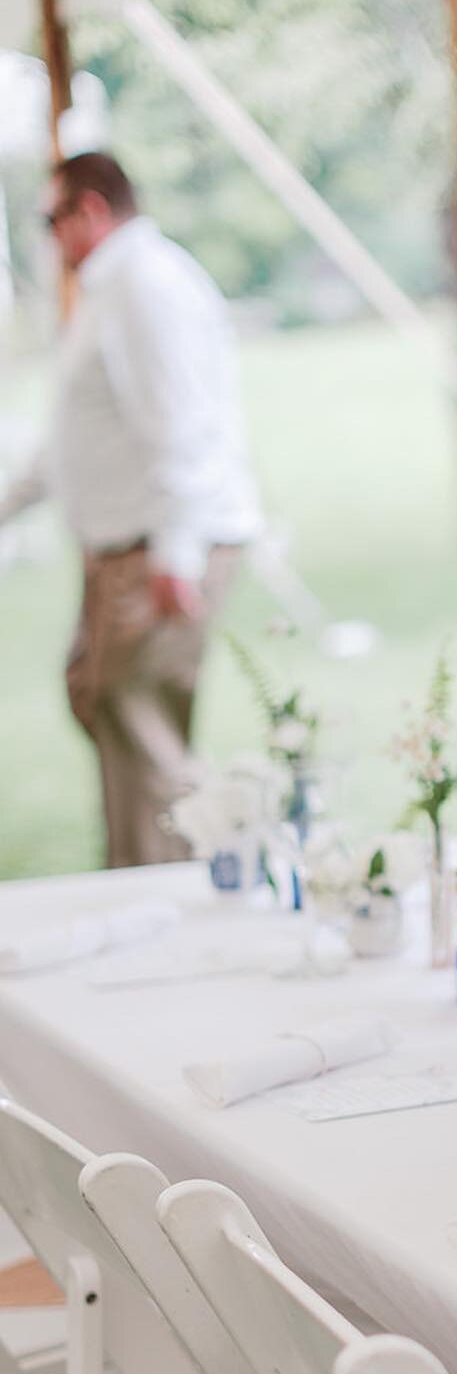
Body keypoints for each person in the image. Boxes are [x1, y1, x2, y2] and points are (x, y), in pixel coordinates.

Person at [0, 152, 262, 868]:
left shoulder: (147, 285)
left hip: (162, 545)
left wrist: (175, 552)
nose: (48, 236)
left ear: (90, 210)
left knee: (131, 714)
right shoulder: (109, 291)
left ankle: (226, 855)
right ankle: (149, 869)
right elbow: (72, 439)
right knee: (106, 702)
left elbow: (183, 424)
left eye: (50, 218)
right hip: (123, 546)